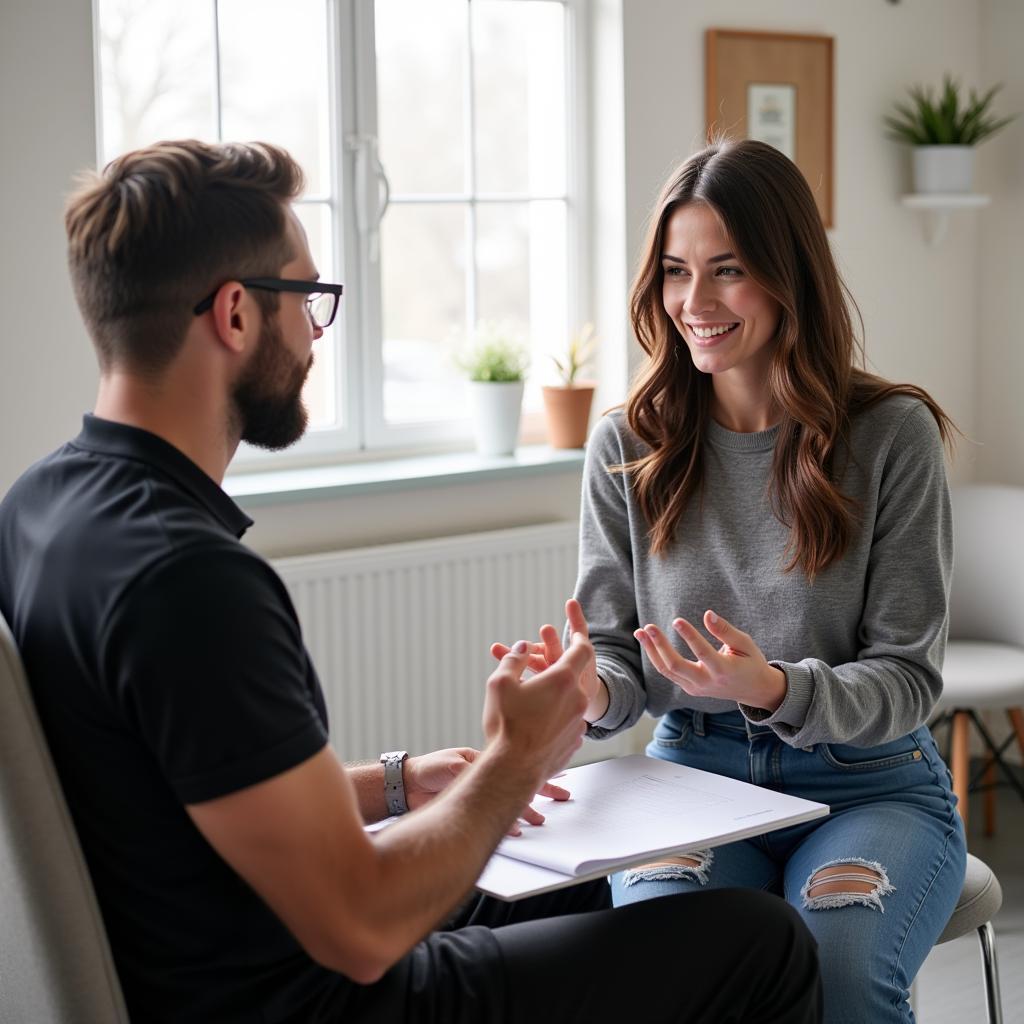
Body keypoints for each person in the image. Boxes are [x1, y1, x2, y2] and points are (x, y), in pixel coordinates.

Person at [0, 139, 822, 1024]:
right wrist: (515, 761)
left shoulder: (45, 504)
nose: (317, 337)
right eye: (308, 299)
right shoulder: (191, 584)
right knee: (760, 941)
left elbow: (188, 786)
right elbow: (361, 928)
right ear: (235, 315)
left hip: (226, 948)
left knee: (613, 886)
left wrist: (401, 784)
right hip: (314, 996)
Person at [497, 138, 966, 1023]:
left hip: (868, 783)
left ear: (789, 276)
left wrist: (776, 687)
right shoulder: (627, 445)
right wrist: (583, 687)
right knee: (667, 978)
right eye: (676, 272)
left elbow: (909, 677)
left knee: (838, 968)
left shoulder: (890, 435)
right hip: (693, 781)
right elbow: (616, 658)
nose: (694, 302)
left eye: (728, 270)